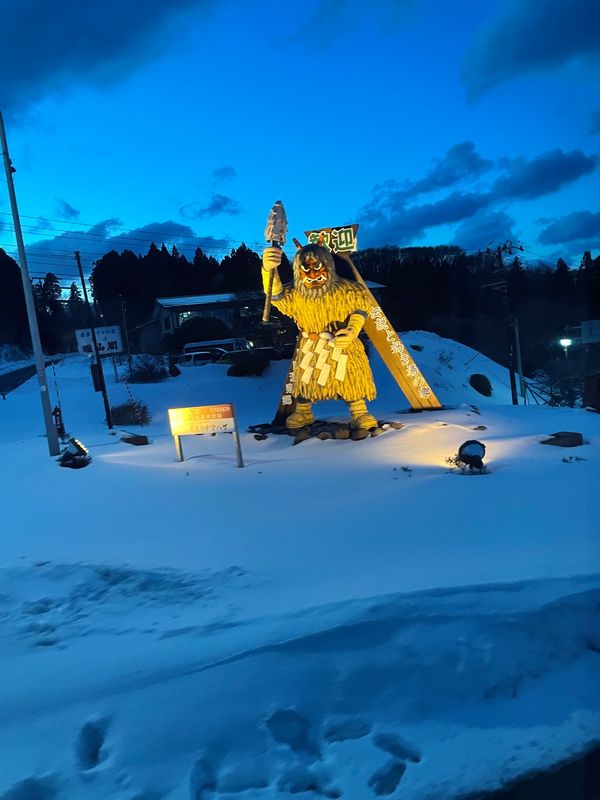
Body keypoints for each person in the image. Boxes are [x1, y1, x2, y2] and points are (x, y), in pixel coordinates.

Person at [262, 243, 378, 430]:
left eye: (317, 267)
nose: (313, 274)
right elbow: (276, 295)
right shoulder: (295, 293)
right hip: (311, 344)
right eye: (305, 268)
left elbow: (360, 309)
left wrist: (352, 330)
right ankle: (303, 411)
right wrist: (268, 270)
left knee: (350, 378)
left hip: (342, 344)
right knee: (306, 379)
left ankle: (359, 411)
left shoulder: (347, 289)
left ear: (328, 265)